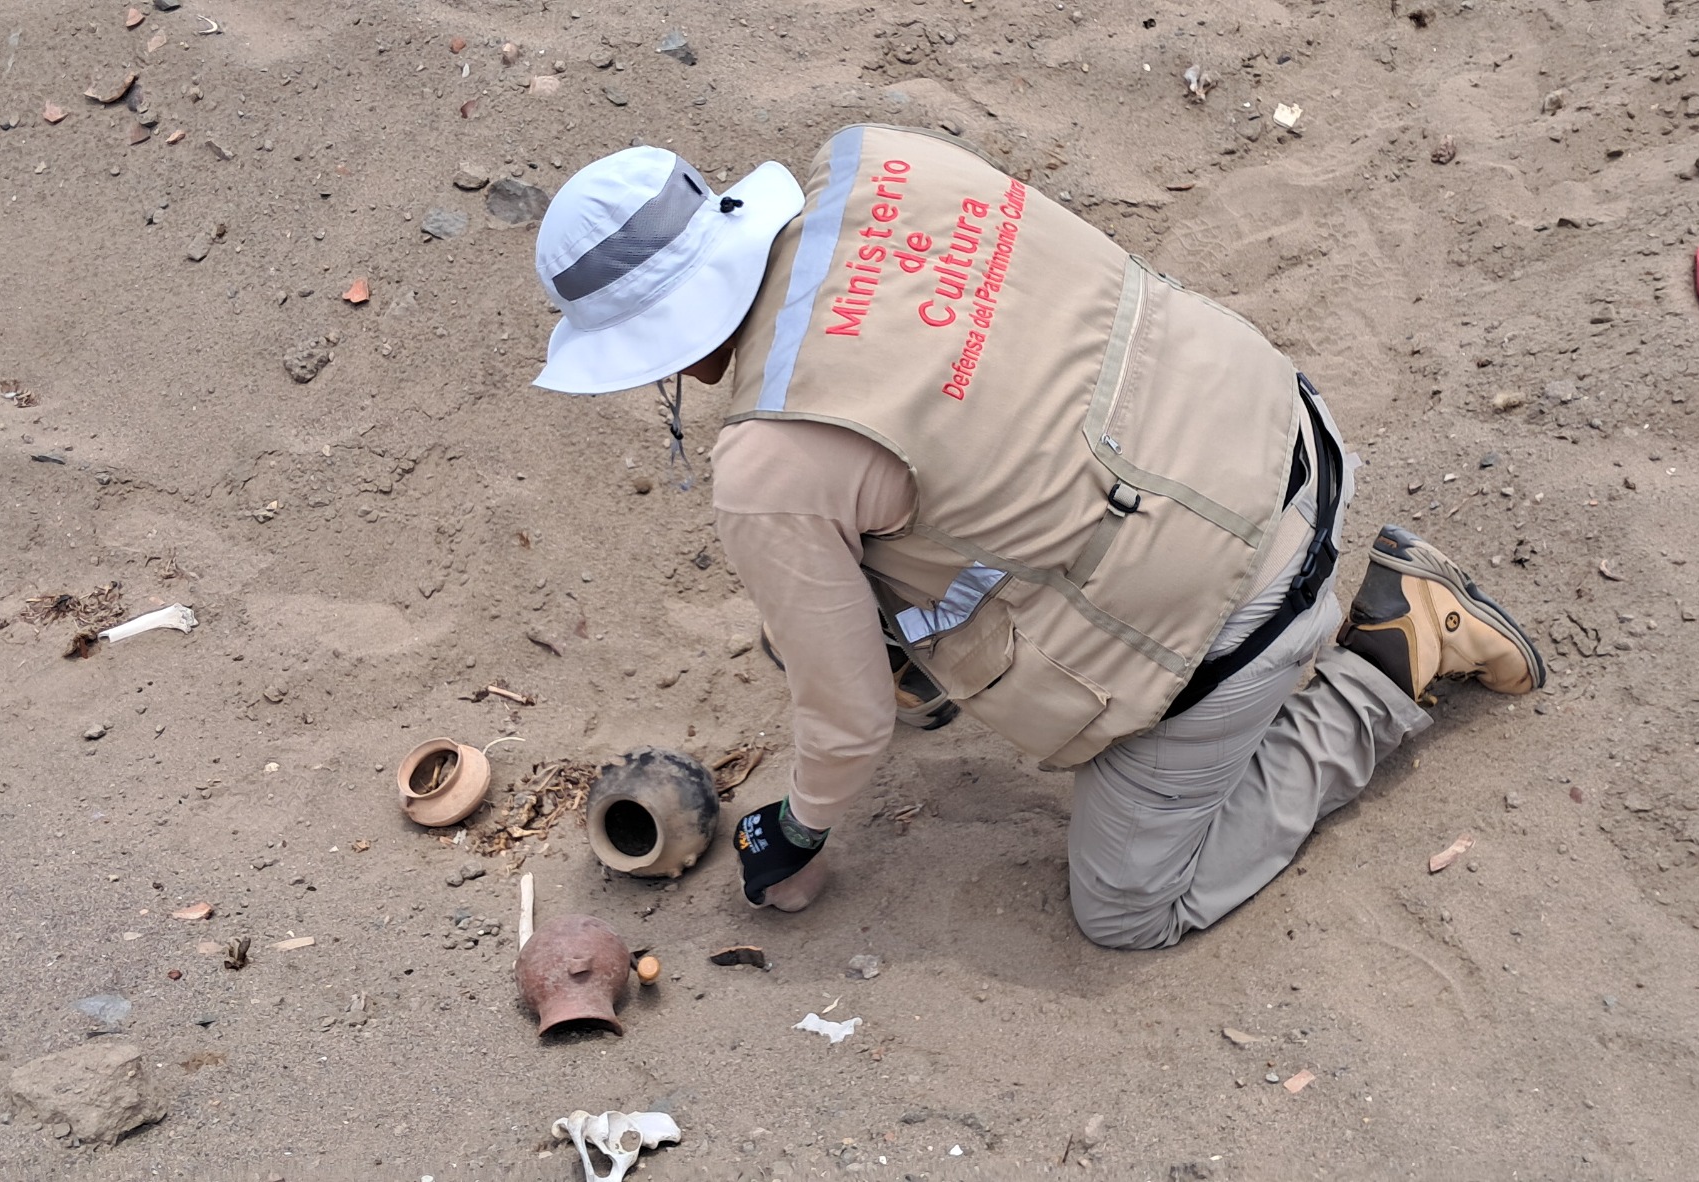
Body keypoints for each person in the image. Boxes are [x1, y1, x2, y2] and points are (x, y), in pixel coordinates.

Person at [529, 125, 1545, 950]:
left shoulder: (769, 467)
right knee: (861, 555)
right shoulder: (890, 162)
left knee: (1128, 909)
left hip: (1237, 607)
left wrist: (794, 833)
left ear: (657, 344)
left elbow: (845, 726)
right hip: (1287, 431)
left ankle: (1391, 658)